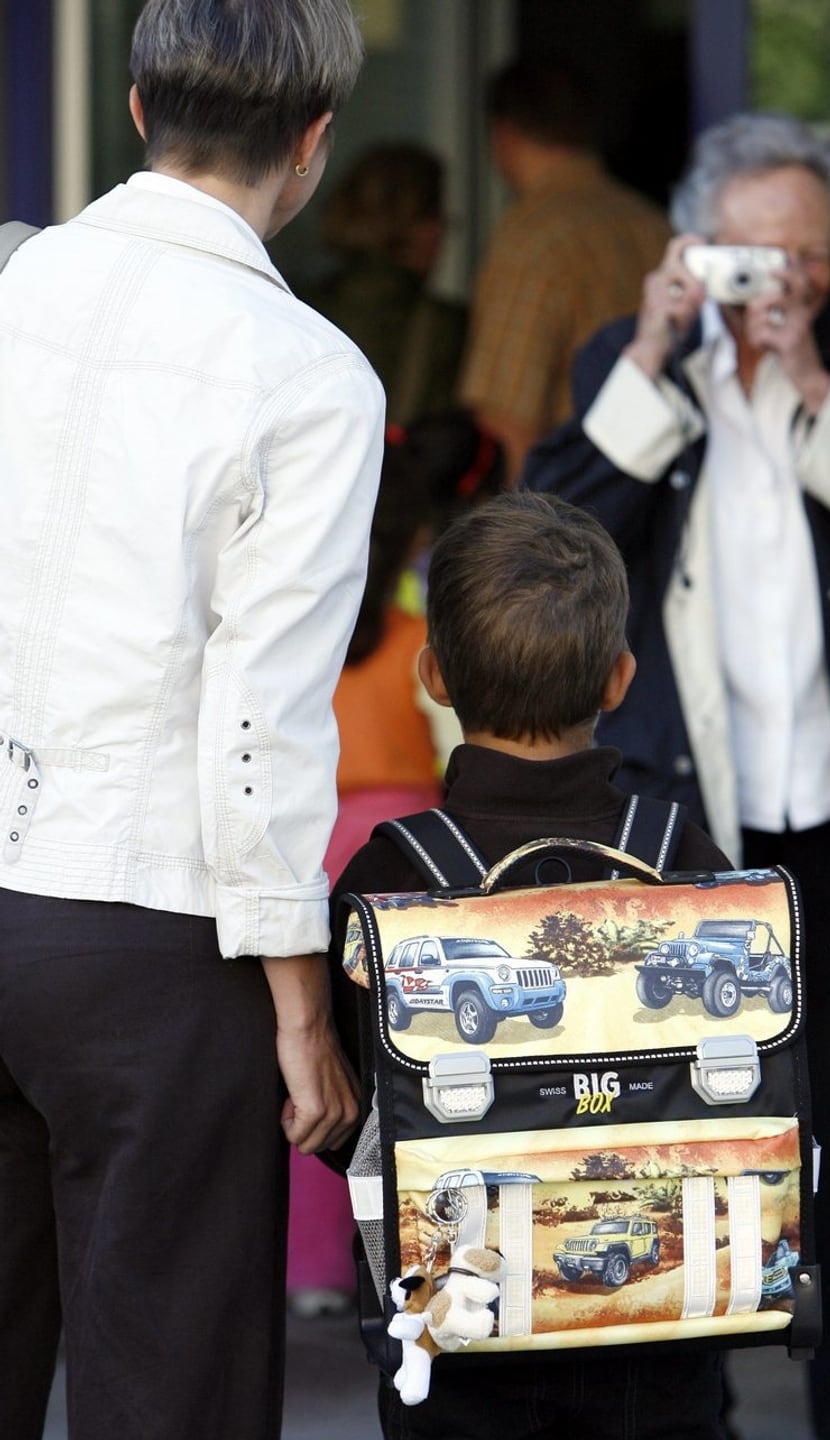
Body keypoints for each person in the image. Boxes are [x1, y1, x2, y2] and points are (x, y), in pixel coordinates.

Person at [0, 4, 384, 1439]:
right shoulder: (308, 373)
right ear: (313, 146)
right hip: (147, 932)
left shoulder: (9, 291)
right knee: (168, 1390)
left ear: (137, 101)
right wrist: (302, 1013)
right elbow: (260, 719)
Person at [525, 112, 830, 1440]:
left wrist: (808, 375)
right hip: (685, 835)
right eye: (761, 256)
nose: (788, 281)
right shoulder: (632, 358)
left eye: (810, 254)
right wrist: (656, 351)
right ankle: (685, 1412)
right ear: (698, 245)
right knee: (672, 1145)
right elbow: (562, 531)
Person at [331, 490, 730, 1440]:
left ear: (432, 674)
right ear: (621, 677)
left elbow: (342, 1112)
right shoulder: (688, 865)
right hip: (658, 1326)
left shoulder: (391, 876)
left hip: (455, 1324)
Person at [287, 436, 445, 1320]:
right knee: (412, 1065)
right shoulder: (420, 640)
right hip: (408, 859)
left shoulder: (306, 634)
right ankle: (416, 1255)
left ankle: (311, 1264)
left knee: (319, 1055)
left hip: (316, 848)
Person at [457, 58, 671, 482]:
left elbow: (507, 422)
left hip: (572, 513)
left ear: (503, 136)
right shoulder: (657, 227)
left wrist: (517, 543)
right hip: (662, 499)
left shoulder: (532, 239)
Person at [300, 142, 468, 426]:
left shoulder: (297, 308)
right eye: (435, 217)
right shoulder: (448, 328)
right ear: (410, 226)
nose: (442, 233)